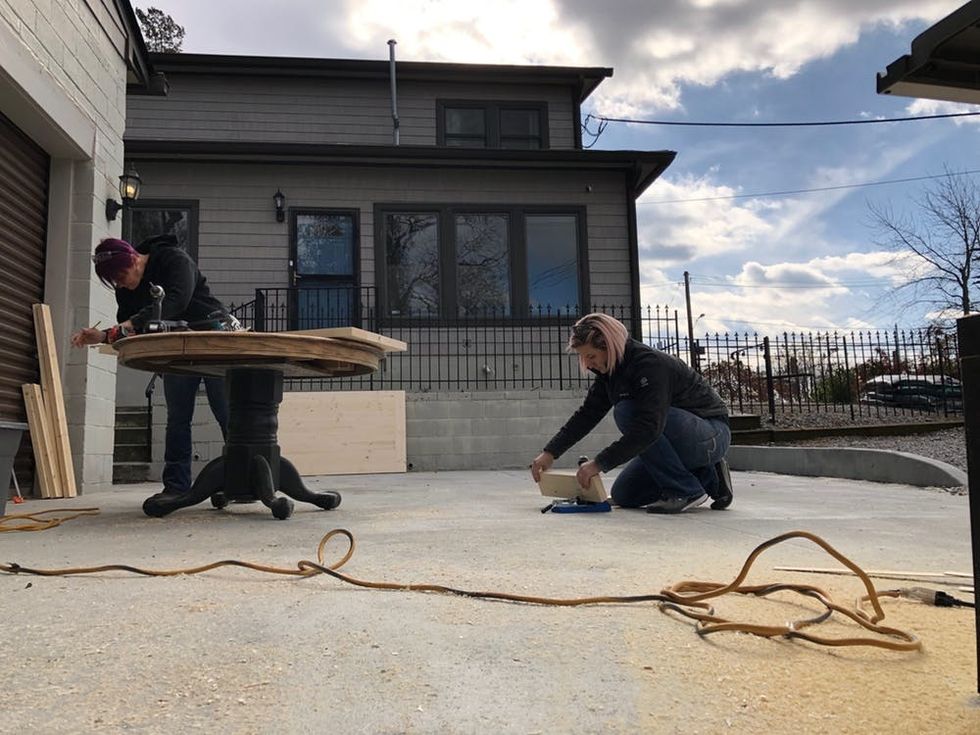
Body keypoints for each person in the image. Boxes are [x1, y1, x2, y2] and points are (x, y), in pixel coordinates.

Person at [71, 235, 238, 498]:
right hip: (173, 348)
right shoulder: (124, 289)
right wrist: (103, 336)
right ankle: (176, 487)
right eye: (115, 281)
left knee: (226, 412)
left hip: (211, 336)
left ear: (135, 259)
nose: (121, 283)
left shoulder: (174, 260)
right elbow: (128, 327)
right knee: (178, 418)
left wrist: (124, 327)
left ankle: (241, 478)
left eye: (122, 275)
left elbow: (176, 302)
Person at [530, 313, 733, 513]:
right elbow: (587, 415)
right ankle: (710, 476)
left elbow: (648, 428)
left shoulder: (649, 364)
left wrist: (599, 463)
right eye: (583, 357)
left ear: (609, 346)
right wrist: (550, 453)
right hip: (679, 440)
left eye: (591, 356)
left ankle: (684, 490)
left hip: (711, 435)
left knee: (627, 411)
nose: (588, 363)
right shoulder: (609, 373)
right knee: (624, 495)